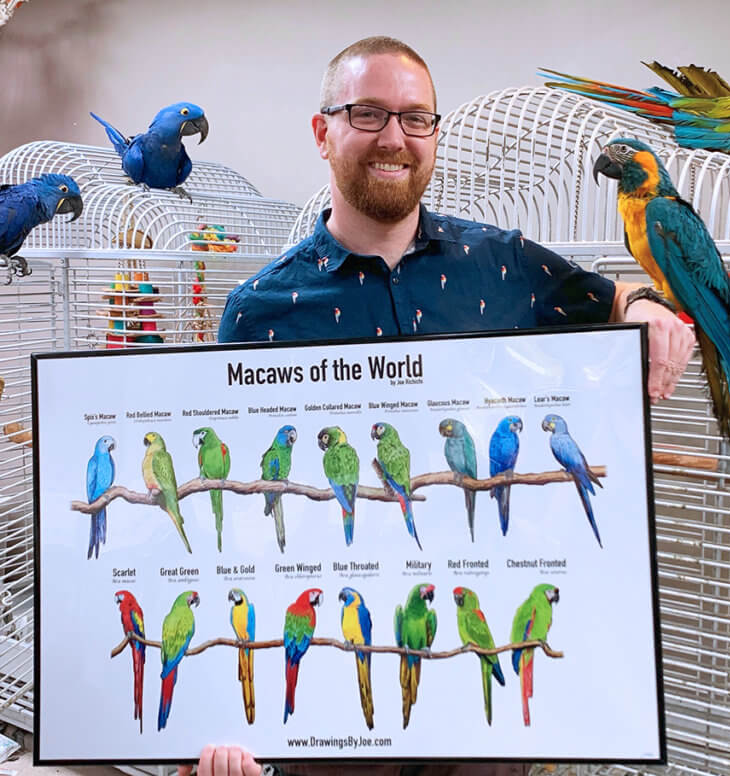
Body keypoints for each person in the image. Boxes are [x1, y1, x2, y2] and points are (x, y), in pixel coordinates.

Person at [194, 36, 695, 776]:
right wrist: (224, 720)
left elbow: (611, 298)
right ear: (322, 132)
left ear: (433, 134)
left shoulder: (503, 263)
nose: (394, 137)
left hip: (478, 659)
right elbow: (237, 528)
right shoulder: (259, 312)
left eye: (415, 118)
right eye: (368, 114)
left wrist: (650, 307)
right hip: (341, 679)